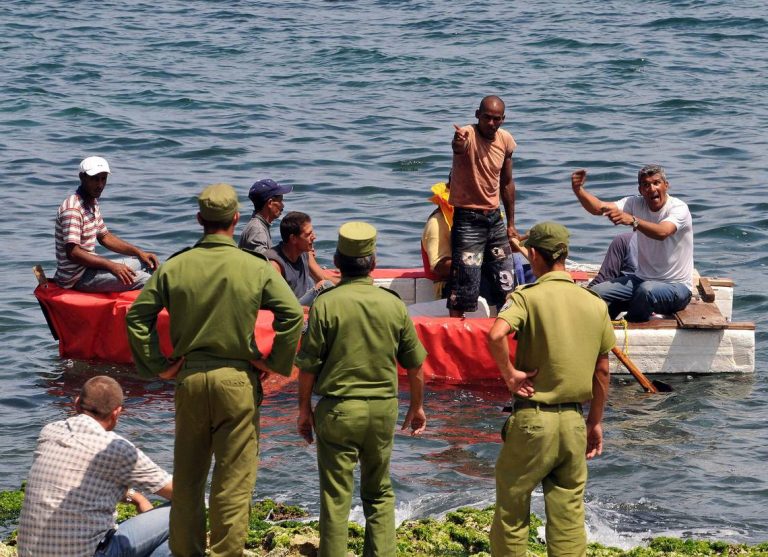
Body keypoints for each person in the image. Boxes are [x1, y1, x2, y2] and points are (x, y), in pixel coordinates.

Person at [126, 183, 304, 556]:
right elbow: (291, 315)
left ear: (198, 220)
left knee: (189, 482)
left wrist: (158, 366)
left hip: (190, 379)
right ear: (236, 219)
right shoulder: (254, 267)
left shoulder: (176, 266)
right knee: (233, 482)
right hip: (238, 381)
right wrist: (274, 363)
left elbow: (137, 316)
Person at [295, 221, 427, 557]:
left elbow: (308, 365)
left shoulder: (326, 303)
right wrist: (417, 406)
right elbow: (415, 366)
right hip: (382, 409)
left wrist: (303, 411)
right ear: (373, 261)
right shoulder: (393, 304)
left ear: (337, 262)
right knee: (379, 492)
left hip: (338, 410)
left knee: (336, 497)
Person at [486, 222, 614, 556]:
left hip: (532, 422)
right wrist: (595, 422)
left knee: (512, 512)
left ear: (535, 256)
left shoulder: (527, 297)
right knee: (569, 516)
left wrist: (511, 375)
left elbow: (496, 335)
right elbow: (602, 371)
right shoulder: (594, 303)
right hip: (574, 421)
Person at [17, 376, 173, 557]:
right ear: (117, 413)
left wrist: (135, 497)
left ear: (76, 404)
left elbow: (85, 482)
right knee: (186, 513)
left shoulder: (49, 431)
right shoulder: (117, 448)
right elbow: (181, 493)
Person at [571, 166, 693, 321]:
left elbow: (663, 232)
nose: (651, 188)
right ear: (640, 189)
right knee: (596, 292)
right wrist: (578, 190)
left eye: (656, 183)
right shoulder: (634, 203)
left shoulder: (679, 208)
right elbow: (599, 208)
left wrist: (633, 220)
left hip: (677, 287)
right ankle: (598, 325)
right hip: (641, 279)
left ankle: (628, 324)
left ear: (666, 185)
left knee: (645, 292)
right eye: (646, 185)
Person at [447, 95, 519, 317]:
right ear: (477, 115)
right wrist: (457, 143)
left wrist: (511, 224)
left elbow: (507, 183)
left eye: (496, 119)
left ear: (503, 119)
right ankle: (457, 340)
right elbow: (458, 147)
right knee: (464, 286)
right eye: (486, 117)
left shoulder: (505, 140)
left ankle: (505, 337)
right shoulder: (467, 135)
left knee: (506, 282)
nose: (491, 123)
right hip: (468, 221)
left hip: (495, 219)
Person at [54, 156, 159, 292]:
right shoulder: (73, 209)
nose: (100, 185)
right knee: (147, 280)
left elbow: (104, 237)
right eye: (95, 179)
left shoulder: (91, 202)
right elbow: (73, 253)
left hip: (90, 267)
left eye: (103, 179)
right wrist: (111, 266)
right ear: (82, 177)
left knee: (147, 263)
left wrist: (139, 253)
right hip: (77, 278)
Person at [422, 179, 532, 304]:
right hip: (455, 286)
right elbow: (439, 267)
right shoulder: (437, 222)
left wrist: (514, 246)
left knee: (529, 272)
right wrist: (481, 260)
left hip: (488, 273)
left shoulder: (484, 216)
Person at [266, 211, 338, 305]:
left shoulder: (305, 252)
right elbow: (278, 301)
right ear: (293, 239)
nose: (314, 237)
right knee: (324, 285)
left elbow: (322, 276)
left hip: (304, 297)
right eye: (308, 234)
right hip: (292, 306)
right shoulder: (275, 264)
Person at [238, 178, 293, 254]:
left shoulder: (259, 225)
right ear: (270, 203)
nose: (283, 205)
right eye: (280, 201)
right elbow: (262, 263)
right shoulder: (257, 231)